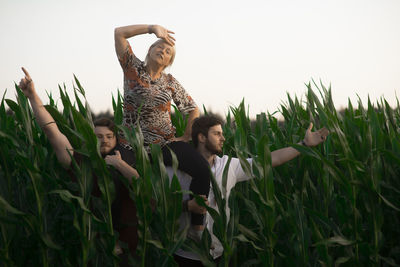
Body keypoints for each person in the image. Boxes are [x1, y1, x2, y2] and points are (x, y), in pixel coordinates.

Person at [173, 115, 329, 266]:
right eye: (217, 133)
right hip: (188, 254)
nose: (223, 138)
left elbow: (271, 160)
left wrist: (304, 144)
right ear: (201, 137)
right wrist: (187, 206)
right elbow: (155, 205)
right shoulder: (176, 168)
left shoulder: (228, 166)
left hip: (217, 253)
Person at [18, 67, 139, 258]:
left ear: (117, 139)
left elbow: (144, 187)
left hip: (128, 251)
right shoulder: (81, 164)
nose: (105, 140)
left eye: (109, 136)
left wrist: (119, 164)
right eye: (98, 136)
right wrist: (33, 97)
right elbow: (52, 131)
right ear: (91, 139)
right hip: (93, 248)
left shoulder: (128, 161)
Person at [114, 24, 211, 232]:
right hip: (132, 145)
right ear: (149, 51)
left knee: (203, 170)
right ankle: (118, 235)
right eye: (159, 47)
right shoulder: (132, 68)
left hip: (164, 144)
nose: (163, 51)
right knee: (116, 179)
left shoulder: (170, 82)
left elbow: (193, 110)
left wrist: (186, 136)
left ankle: (197, 229)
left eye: (168, 52)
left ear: (169, 62)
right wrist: (152, 28)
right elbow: (119, 33)